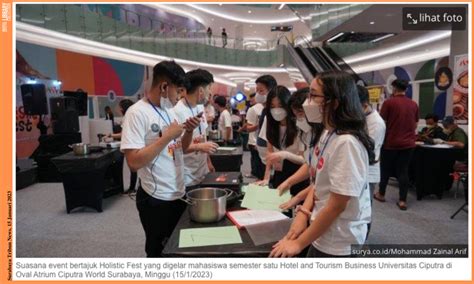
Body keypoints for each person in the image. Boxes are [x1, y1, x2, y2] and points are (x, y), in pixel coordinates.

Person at [270, 71, 375, 258]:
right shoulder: (328, 134)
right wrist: (303, 212)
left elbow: (338, 205)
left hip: (339, 239)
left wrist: (298, 243)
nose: (307, 102)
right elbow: (317, 182)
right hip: (322, 228)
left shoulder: (346, 143)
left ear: (334, 102)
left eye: (314, 95)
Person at [120, 60, 201, 257]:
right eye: (178, 91)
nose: (180, 96)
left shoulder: (169, 111)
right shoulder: (136, 113)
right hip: (156, 198)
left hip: (177, 192)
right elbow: (133, 162)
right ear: (164, 86)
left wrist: (188, 131)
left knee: (176, 249)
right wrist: (166, 136)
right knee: (158, 251)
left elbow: (181, 147)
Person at [374, 79, 419, 211]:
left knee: (385, 170)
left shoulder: (389, 103)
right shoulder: (413, 104)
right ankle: (402, 201)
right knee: (403, 171)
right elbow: (415, 124)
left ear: (393, 88)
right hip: (409, 144)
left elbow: (381, 123)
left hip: (390, 143)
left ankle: (381, 194)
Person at [257, 86, 308, 196]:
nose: (276, 110)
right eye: (272, 106)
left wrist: (285, 154)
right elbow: (269, 153)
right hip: (279, 171)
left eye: (280, 106)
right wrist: (266, 178)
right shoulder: (268, 120)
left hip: (298, 172)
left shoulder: (299, 122)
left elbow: (304, 160)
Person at [278, 88, 324, 210]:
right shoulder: (309, 132)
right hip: (316, 194)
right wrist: (289, 182)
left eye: (300, 114)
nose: (298, 120)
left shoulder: (332, 137)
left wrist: (299, 198)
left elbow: (325, 182)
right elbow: (310, 165)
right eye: (295, 116)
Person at [173, 69, 218, 191]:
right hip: (186, 175)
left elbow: (203, 136)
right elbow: (177, 148)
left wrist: (208, 161)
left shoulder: (199, 107)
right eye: (209, 89)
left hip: (202, 171)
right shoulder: (177, 112)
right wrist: (200, 147)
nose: (210, 93)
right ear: (201, 91)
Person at [357, 85, 386, 236]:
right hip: (359, 169)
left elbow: (370, 155)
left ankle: (363, 241)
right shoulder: (362, 117)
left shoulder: (376, 123)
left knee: (364, 208)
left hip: (368, 173)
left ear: (364, 105)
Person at [106, 99, 137, 193]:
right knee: (134, 168)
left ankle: (132, 189)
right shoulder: (133, 115)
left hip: (130, 145)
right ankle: (133, 188)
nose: (117, 108)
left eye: (119, 107)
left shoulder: (126, 117)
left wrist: (110, 135)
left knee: (132, 167)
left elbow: (122, 134)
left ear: (123, 108)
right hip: (135, 143)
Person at [254, 75, 278, 170]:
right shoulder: (265, 109)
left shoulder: (274, 111)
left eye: (261, 91)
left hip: (272, 160)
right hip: (265, 159)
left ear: (271, 91)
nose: (257, 94)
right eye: (257, 91)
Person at [241, 93, 266, 179]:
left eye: (252, 99)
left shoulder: (255, 109)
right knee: (259, 162)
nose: (251, 101)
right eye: (250, 99)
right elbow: (248, 128)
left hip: (260, 140)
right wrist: (260, 125)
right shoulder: (257, 109)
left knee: (258, 161)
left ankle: (257, 175)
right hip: (259, 140)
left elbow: (248, 128)